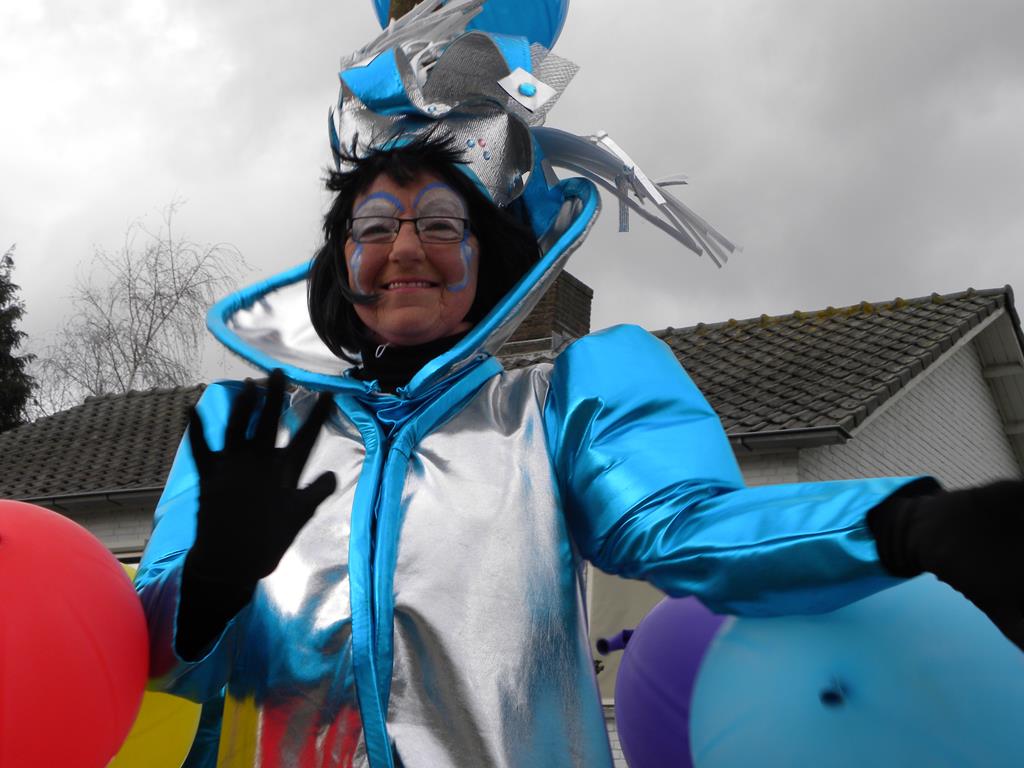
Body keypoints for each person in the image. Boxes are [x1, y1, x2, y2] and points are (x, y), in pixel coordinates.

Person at [136, 7, 1024, 768]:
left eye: (442, 222)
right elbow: (151, 664)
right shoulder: (244, 430)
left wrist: (905, 526)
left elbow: (687, 528)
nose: (405, 249)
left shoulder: (560, 407)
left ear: (491, 255)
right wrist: (210, 582)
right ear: (341, 260)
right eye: (374, 225)